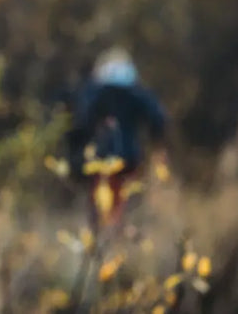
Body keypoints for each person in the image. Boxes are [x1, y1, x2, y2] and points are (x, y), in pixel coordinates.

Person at [67, 48, 167, 228]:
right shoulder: (135, 92)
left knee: (101, 211)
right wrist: (157, 144)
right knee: (123, 208)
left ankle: (104, 243)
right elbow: (158, 118)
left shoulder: (97, 91)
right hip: (129, 158)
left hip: (102, 159)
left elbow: (83, 120)